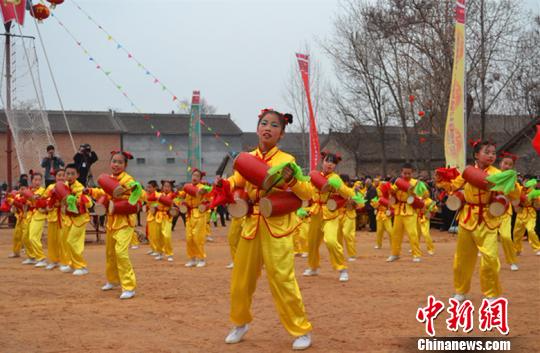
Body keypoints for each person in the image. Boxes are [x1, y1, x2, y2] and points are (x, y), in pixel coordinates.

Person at [218, 108, 312, 350]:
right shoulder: (247, 158)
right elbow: (236, 182)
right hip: (251, 225)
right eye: (264, 123)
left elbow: (305, 193)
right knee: (241, 280)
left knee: (282, 279)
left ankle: (301, 329)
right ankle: (240, 323)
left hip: (277, 226)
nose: (268, 128)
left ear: (281, 134)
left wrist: (292, 180)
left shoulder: (287, 161)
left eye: (274, 125)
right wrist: (223, 186)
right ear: (258, 128)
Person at [436, 140, 520, 301]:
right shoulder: (467, 172)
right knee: (462, 259)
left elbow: (513, 195)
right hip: (468, 217)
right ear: (476, 155)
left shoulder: (497, 174)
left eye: (493, 153)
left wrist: (511, 184)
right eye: (487, 152)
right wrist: (442, 180)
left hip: (488, 218)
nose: (491, 155)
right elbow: (454, 186)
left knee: (490, 257)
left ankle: (491, 293)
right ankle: (460, 291)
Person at [88, 151, 144, 300]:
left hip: (125, 221)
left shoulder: (128, 179)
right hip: (112, 221)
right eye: (114, 161)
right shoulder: (109, 179)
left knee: (121, 252)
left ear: (125, 165)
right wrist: (90, 191)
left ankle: (129, 286)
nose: (116, 165)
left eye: (120, 162)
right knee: (110, 253)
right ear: (110, 163)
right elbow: (103, 193)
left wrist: (134, 188)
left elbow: (138, 194)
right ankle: (113, 280)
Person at [386, 163, 428, 263]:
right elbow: (392, 193)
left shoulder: (416, 183)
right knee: (396, 233)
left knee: (412, 233)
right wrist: (391, 191)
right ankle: (395, 254)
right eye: (405, 173)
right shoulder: (398, 182)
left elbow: (425, 194)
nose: (407, 175)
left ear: (412, 173)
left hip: (410, 209)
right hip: (399, 210)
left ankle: (416, 254)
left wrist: (416, 195)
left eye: (409, 173)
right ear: (401, 172)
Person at [62, 164, 93, 275]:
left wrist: (78, 200)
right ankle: (71, 264)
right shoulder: (64, 186)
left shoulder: (80, 188)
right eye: (67, 173)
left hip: (80, 219)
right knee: (67, 242)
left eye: (72, 174)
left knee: (72, 241)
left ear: (77, 175)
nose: (70, 176)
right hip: (69, 218)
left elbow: (89, 204)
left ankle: (81, 266)